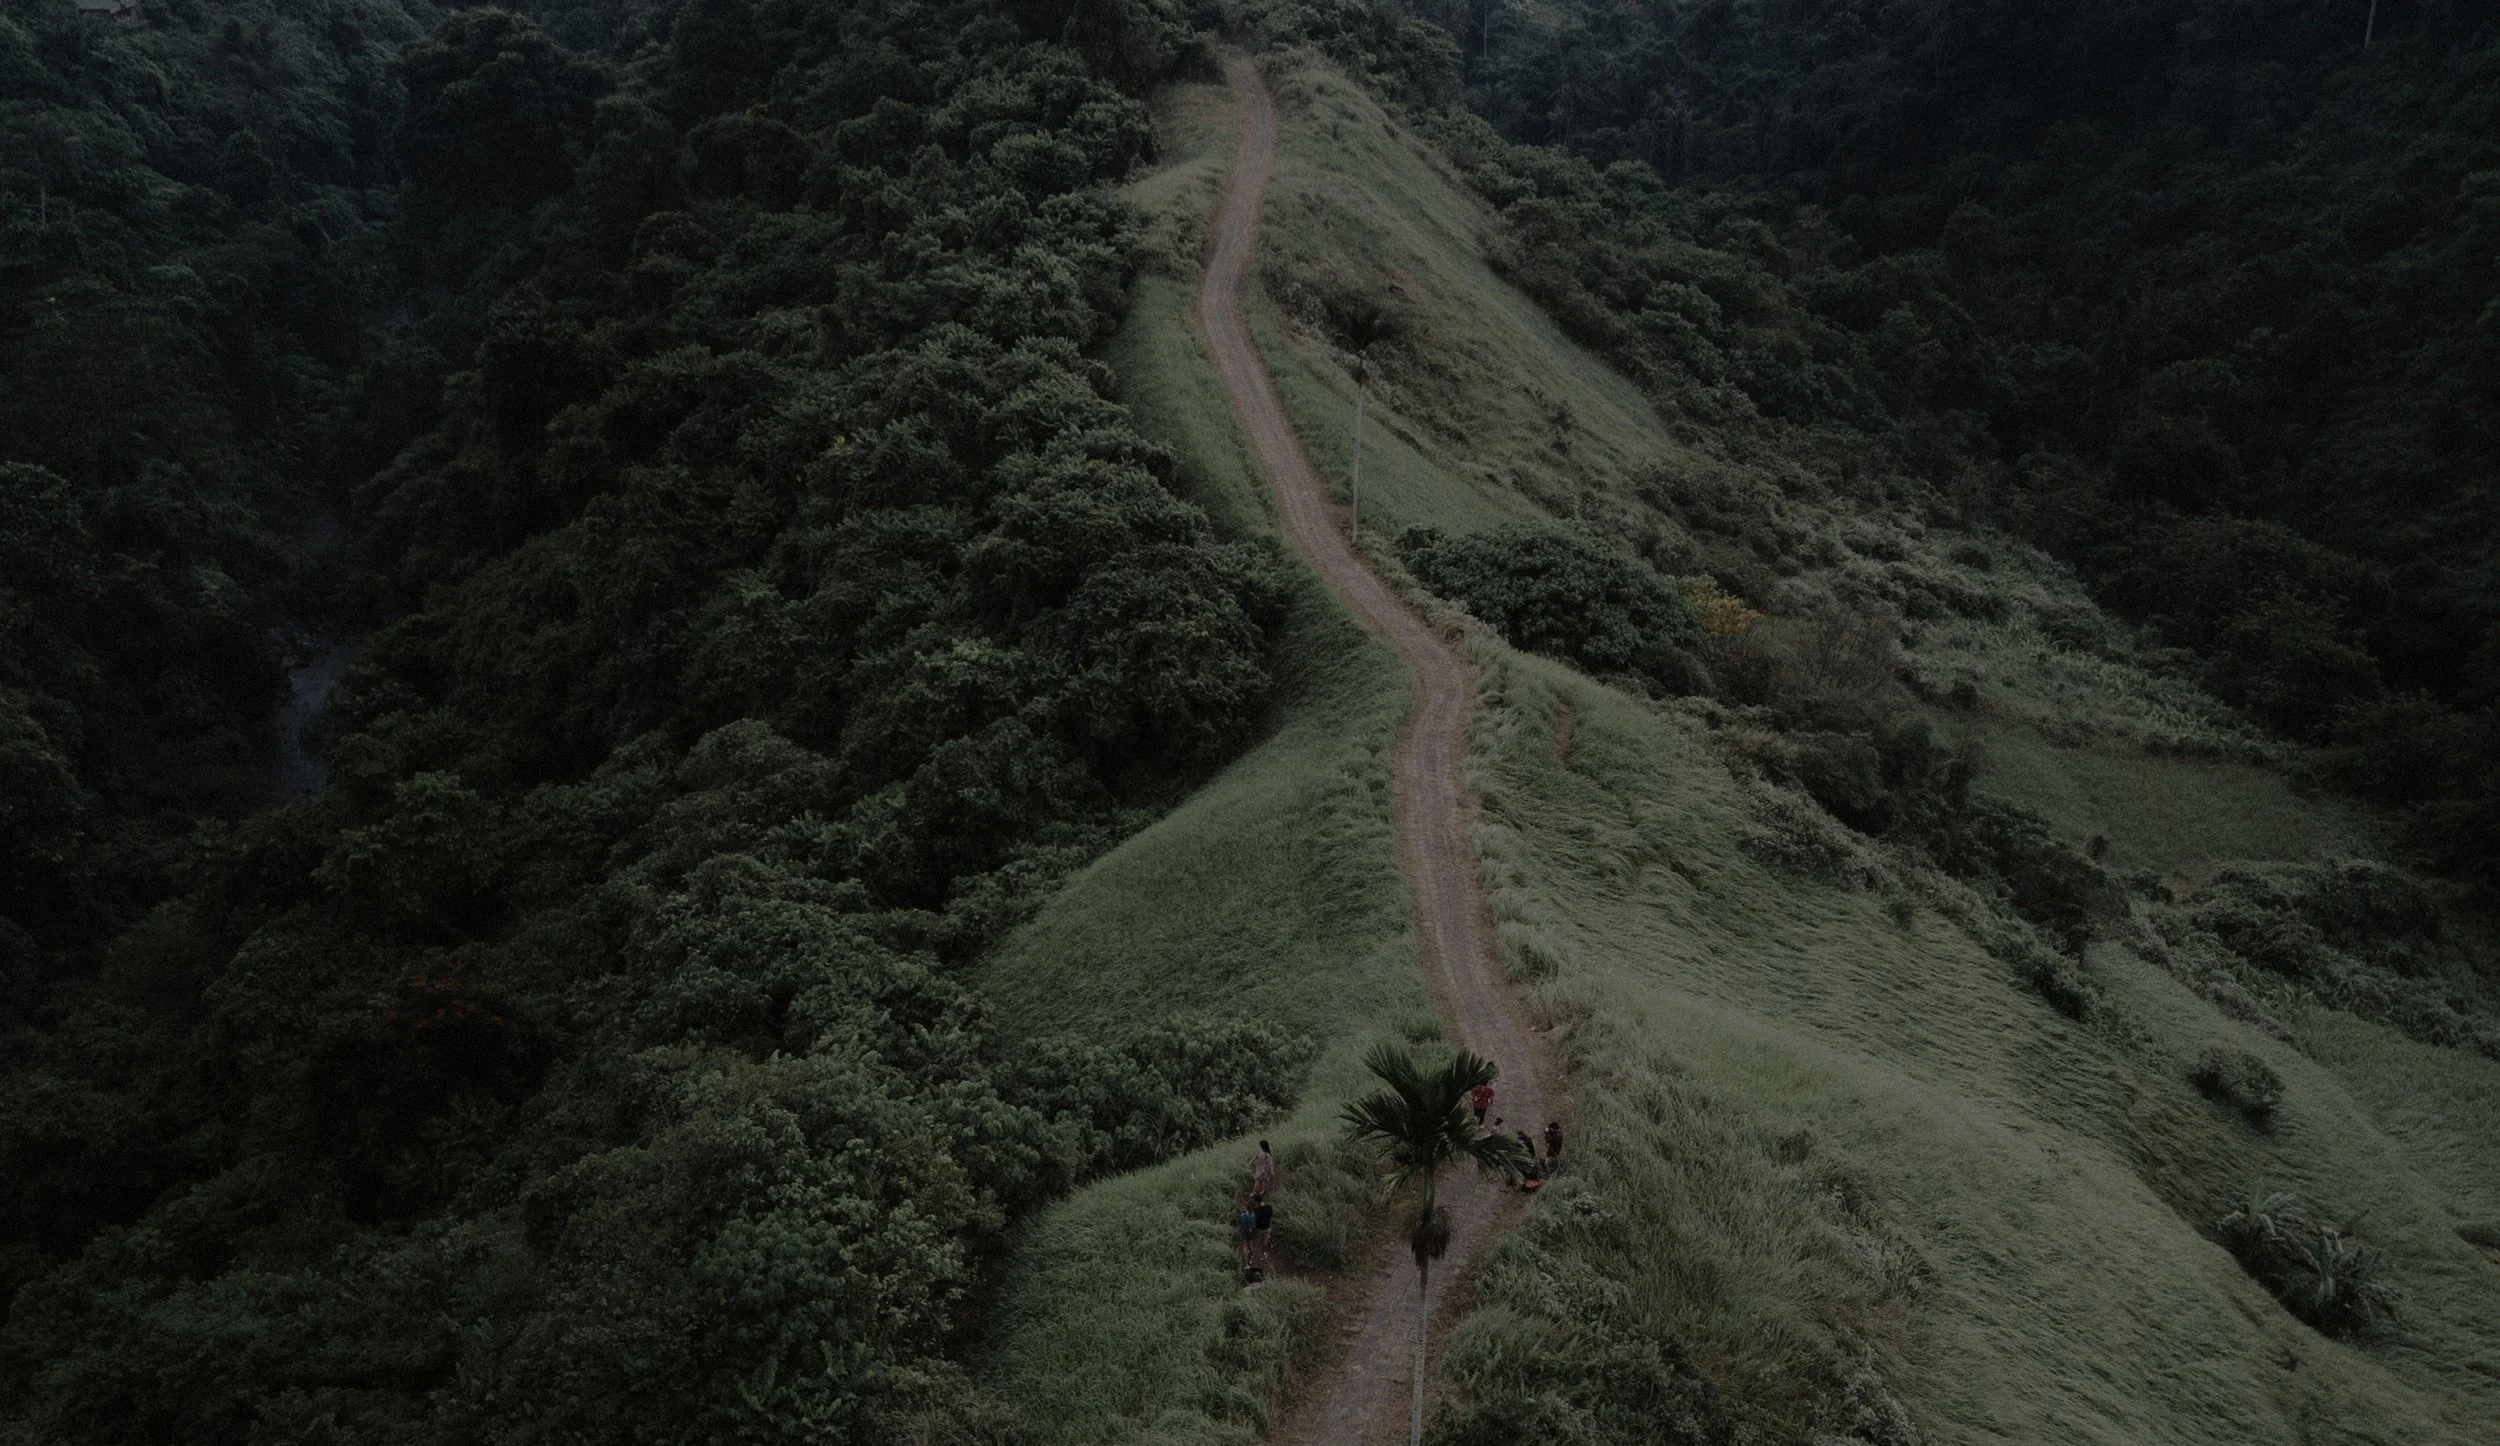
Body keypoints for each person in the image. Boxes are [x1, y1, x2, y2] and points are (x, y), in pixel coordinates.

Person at [1235, 1198, 1260, 1273]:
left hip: (1243, 1233)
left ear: (1247, 1207)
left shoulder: (1242, 1215)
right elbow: (1255, 1225)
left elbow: (1239, 1223)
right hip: (1250, 1234)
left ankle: (1246, 1265)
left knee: (1245, 1248)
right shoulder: (1254, 1216)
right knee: (1251, 1246)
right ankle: (1251, 1258)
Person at [1251, 1192, 1274, 1268]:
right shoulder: (1269, 1207)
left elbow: (1255, 1220)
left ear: (1257, 1202)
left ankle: (1255, 1253)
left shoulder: (1256, 1210)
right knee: (1265, 1240)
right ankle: (1264, 1252)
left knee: (1259, 1239)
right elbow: (1270, 1216)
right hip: (1267, 1227)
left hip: (1260, 1228)